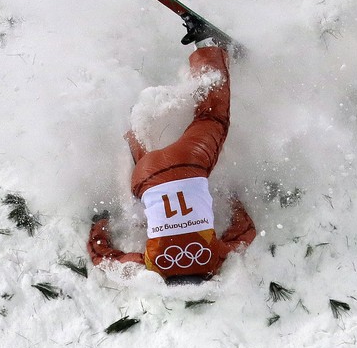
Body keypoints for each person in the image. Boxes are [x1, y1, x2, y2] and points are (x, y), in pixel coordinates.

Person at [87, 34, 256, 284]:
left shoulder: (212, 259)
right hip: (147, 174)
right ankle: (132, 124)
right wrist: (99, 223)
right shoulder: (154, 264)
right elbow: (106, 258)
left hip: (189, 162)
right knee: (142, 189)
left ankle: (208, 52)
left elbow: (244, 233)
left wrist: (234, 200)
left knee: (212, 119)